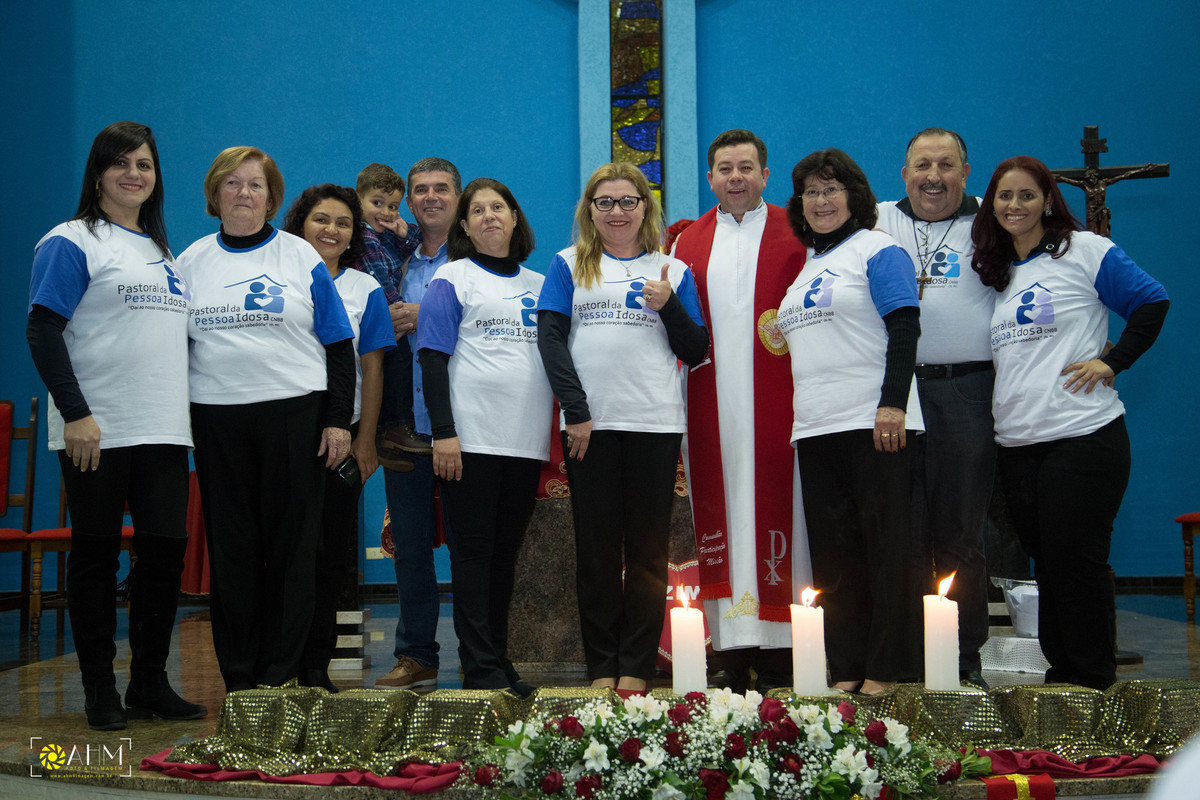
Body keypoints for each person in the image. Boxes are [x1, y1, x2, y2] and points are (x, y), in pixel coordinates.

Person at [25, 121, 206, 730]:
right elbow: (42, 330)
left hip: (164, 429)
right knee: (97, 556)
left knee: (164, 556)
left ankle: (149, 683)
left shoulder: (162, 252)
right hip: (96, 430)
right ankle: (99, 688)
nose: (133, 174)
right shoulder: (72, 240)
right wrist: (76, 413)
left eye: (144, 165)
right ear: (98, 173)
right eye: (121, 163)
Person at [971, 156, 1168, 690]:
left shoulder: (1083, 250)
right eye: (1004, 196)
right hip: (1018, 444)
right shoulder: (997, 273)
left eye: (1027, 195)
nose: (1015, 205)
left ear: (1047, 201)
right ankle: (1063, 681)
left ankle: (1092, 685)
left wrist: (1113, 361)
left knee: (1076, 564)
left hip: (1083, 437)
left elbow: (1152, 301)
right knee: (1048, 566)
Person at [179, 147, 356, 692]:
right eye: (232, 183)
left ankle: (280, 675)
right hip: (216, 419)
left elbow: (339, 344)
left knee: (291, 550)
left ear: (271, 197)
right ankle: (239, 678)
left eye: (255, 185)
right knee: (232, 550)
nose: (244, 193)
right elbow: (172, 347)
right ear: (215, 194)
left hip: (295, 416)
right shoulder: (189, 261)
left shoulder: (299, 255)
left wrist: (337, 421)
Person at [538, 163, 708, 692]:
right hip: (589, 427)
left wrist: (669, 306)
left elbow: (696, 349)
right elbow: (550, 342)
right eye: (605, 202)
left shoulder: (672, 270)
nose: (617, 211)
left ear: (645, 208)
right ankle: (601, 668)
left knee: (648, 552)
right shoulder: (567, 265)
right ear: (590, 210)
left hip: (654, 424)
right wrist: (576, 411)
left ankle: (635, 666)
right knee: (595, 551)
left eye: (628, 201)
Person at [777, 148, 924, 695]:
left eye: (831, 189)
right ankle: (846, 668)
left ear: (854, 196)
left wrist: (892, 405)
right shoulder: (807, 266)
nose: (821, 201)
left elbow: (904, 328)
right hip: (817, 428)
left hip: (875, 422)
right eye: (811, 192)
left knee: (886, 551)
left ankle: (885, 669)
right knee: (835, 554)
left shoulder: (877, 250)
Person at [671, 129, 807, 694]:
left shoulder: (797, 232)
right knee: (720, 512)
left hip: (781, 401)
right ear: (709, 179)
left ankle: (782, 650)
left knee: (783, 509)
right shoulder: (687, 244)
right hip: (711, 405)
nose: (735, 177)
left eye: (746, 167)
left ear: (765, 175)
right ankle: (728, 649)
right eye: (724, 169)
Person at [418, 178, 550, 695]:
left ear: (515, 218)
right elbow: (432, 359)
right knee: (473, 557)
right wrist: (444, 434)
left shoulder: (542, 284)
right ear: (465, 226)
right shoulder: (452, 278)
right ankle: (479, 667)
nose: (490, 216)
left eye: (499, 207)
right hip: (469, 441)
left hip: (525, 441)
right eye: (477, 210)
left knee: (503, 556)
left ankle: (497, 657)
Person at [875, 128, 993, 688]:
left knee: (960, 530)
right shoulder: (876, 220)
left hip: (965, 390)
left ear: (965, 172)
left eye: (946, 165)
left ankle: (962, 660)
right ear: (904, 174)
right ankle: (908, 657)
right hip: (896, 392)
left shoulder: (991, 221)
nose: (933, 176)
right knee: (904, 529)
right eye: (922, 165)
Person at [283, 184, 395, 691]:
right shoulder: (280, 279)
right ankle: (279, 661)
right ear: (300, 224)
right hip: (285, 429)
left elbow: (373, 369)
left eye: (343, 223)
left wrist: (365, 440)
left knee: (330, 552)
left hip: (342, 436)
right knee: (288, 547)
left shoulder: (364, 288)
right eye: (321, 219)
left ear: (354, 234)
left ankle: (316, 663)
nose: (331, 230)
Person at [375, 158, 462, 691]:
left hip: (463, 423)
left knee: (471, 546)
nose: (431, 197)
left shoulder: (477, 258)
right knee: (410, 546)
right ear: (408, 201)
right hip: (404, 425)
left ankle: (481, 653)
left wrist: (423, 312)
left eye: (441, 188)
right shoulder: (391, 259)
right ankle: (416, 655)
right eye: (421, 190)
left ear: (458, 196)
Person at [350, 163, 427, 471]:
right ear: (358, 200)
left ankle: (386, 436)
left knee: (388, 370)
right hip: (380, 312)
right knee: (397, 365)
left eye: (392, 206)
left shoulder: (385, 234)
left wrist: (402, 228)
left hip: (384, 312)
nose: (385, 212)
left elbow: (416, 241)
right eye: (377, 203)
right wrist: (398, 310)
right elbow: (377, 277)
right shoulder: (365, 236)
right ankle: (395, 426)